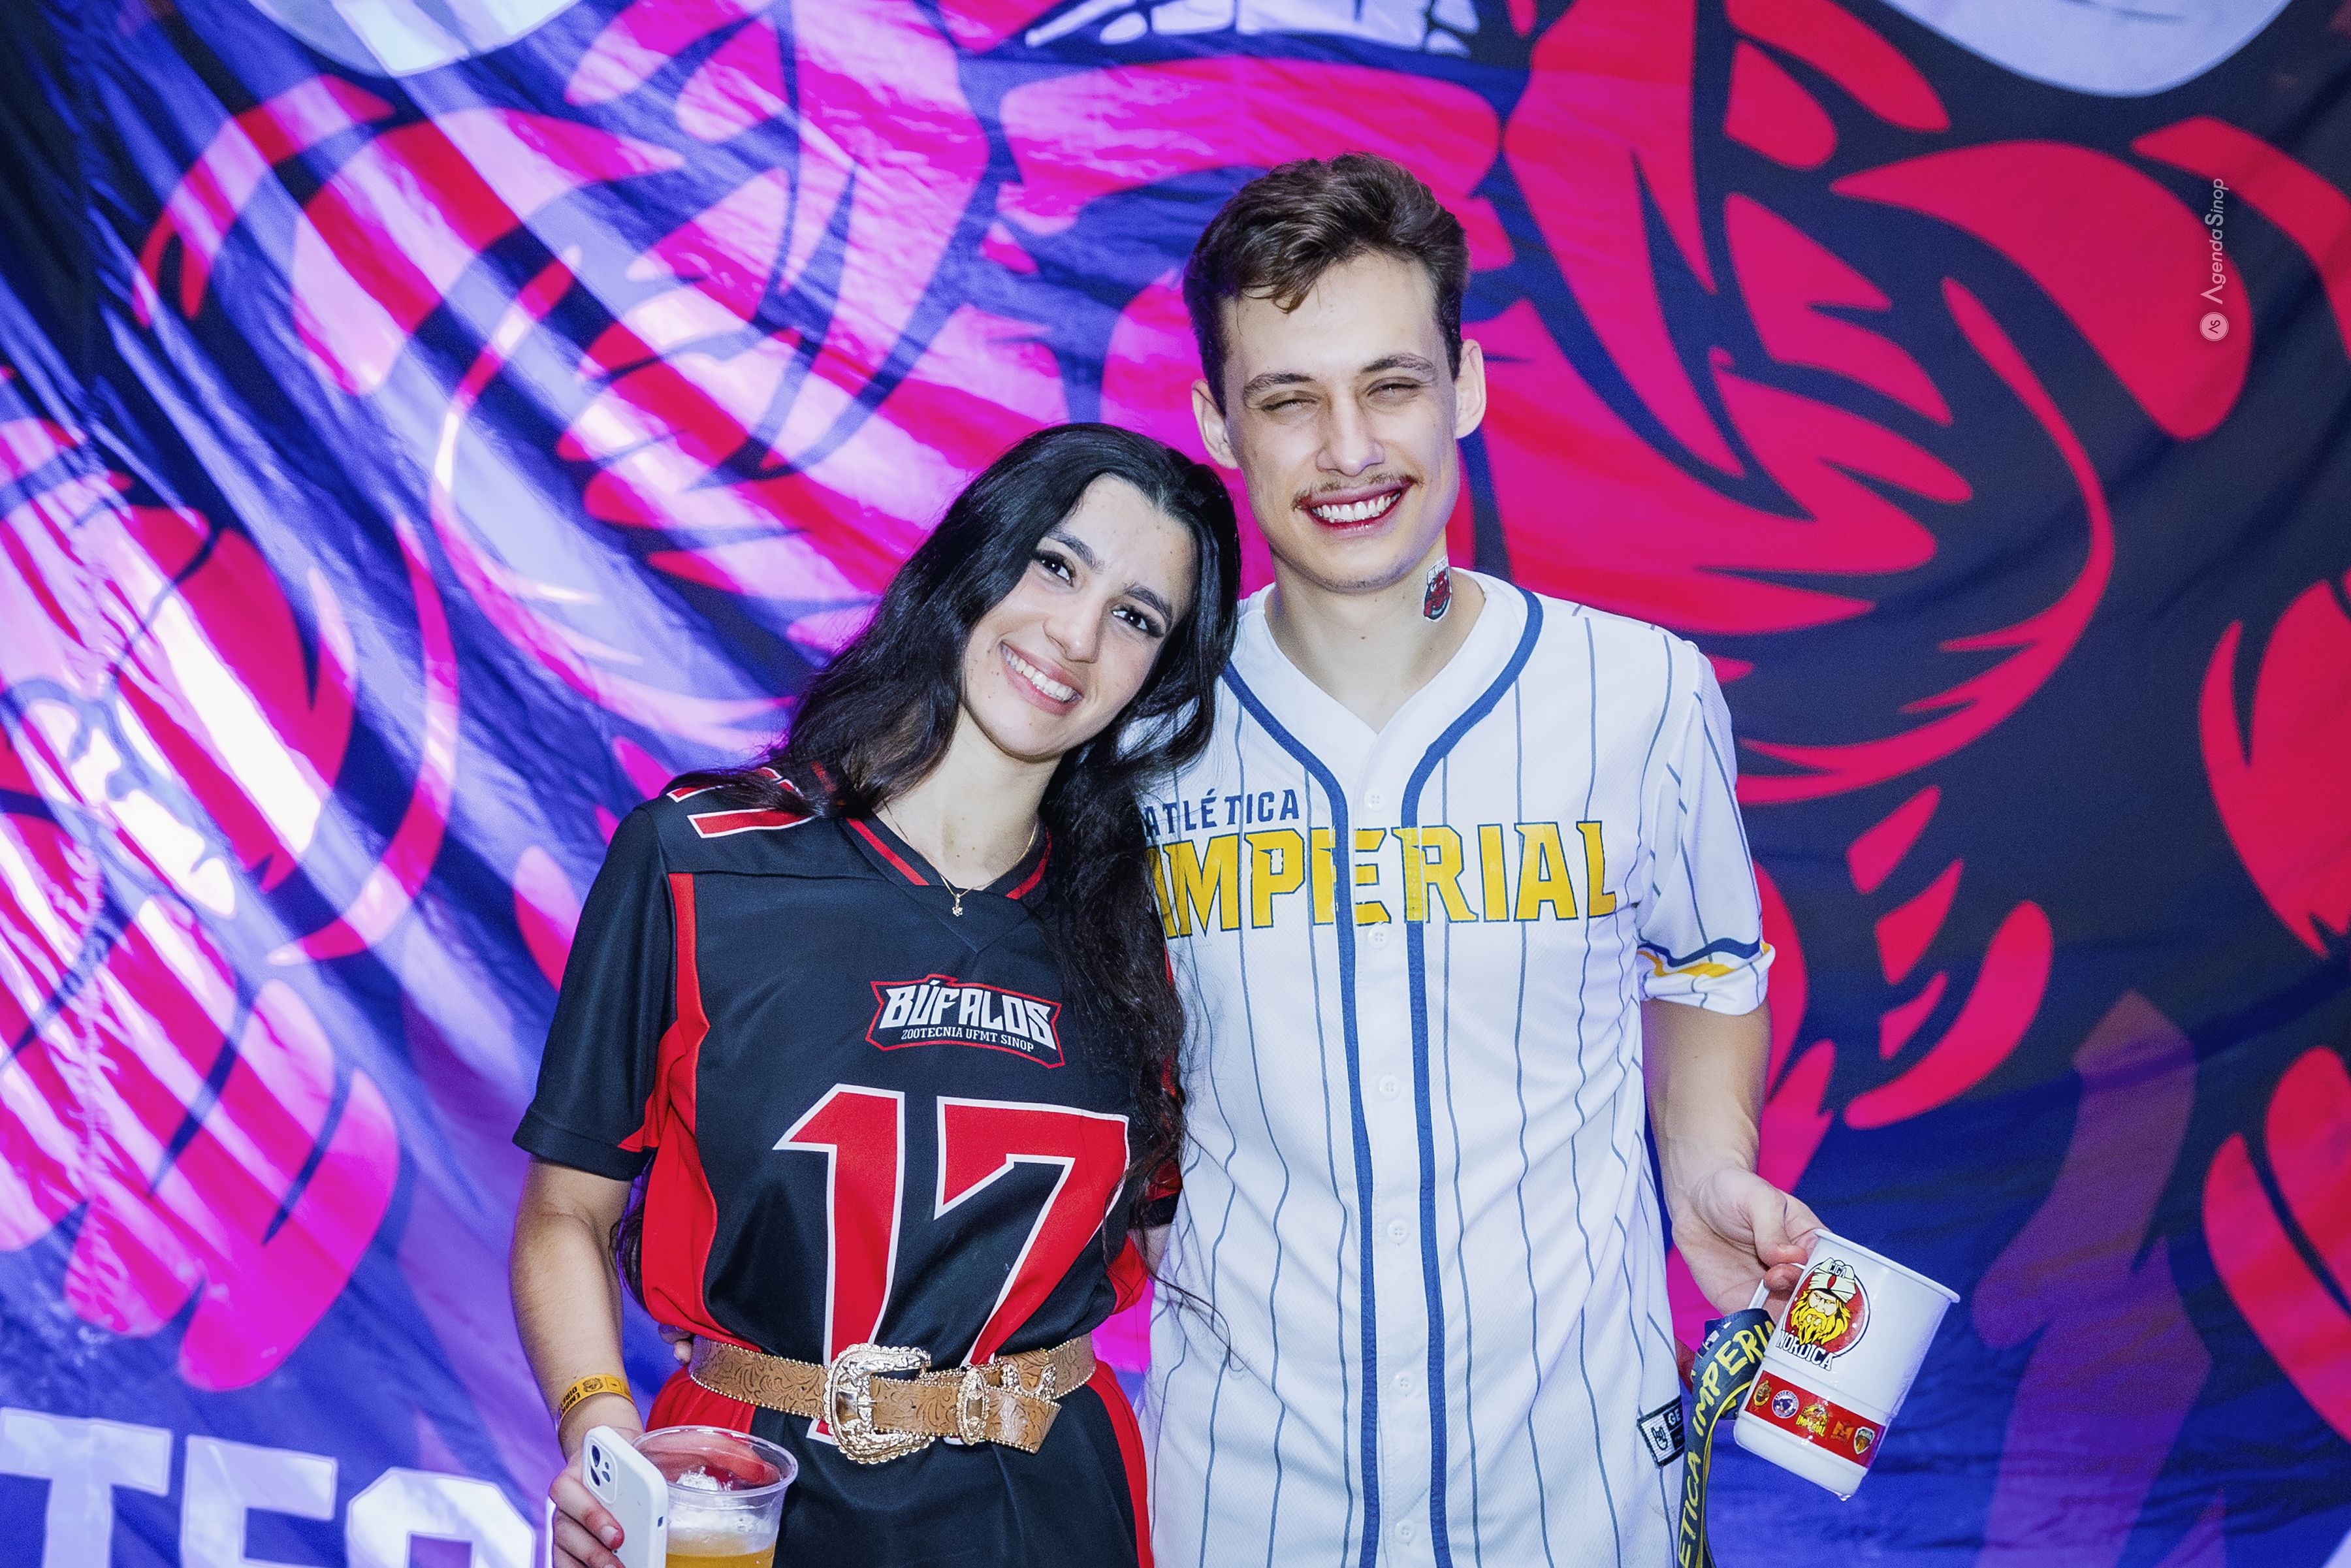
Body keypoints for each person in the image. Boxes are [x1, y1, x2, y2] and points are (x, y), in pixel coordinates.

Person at [1141, 154, 1824, 1565]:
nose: (1349, 449)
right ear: (1216, 421)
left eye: (1392, 384)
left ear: (1468, 384)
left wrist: (1710, 1165)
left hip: (1576, 1475)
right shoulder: (1139, 734)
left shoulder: (1641, 693)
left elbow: (1710, 968)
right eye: (1289, 399)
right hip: (1248, 1483)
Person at [509, 423, 1241, 1568]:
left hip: (1049, 1515)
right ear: (974, 558)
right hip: (739, 1498)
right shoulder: (699, 859)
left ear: (1162, 674)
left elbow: (1222, 1230)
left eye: (1138, 617)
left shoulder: (1150, 932)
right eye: (1056, 564)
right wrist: (598, 1423)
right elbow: (567, 1210)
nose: (1077, 635)